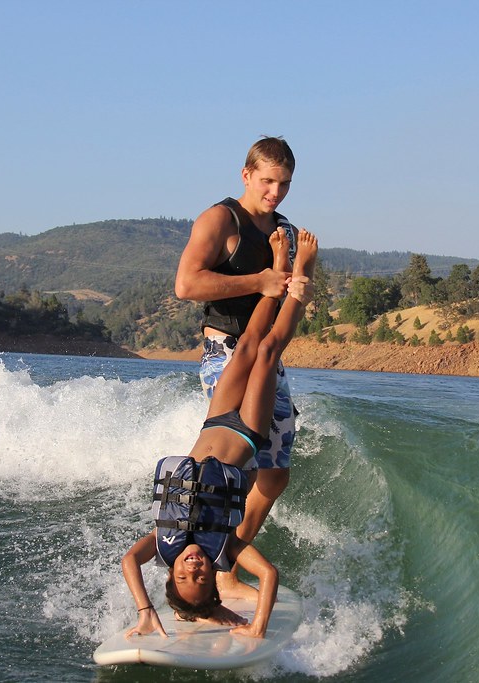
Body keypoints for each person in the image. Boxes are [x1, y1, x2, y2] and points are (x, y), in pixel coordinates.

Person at [122, 228, 318, 639]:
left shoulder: (162, 542)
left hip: (213, 422)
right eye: (201, 578)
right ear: (213, 577)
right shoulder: (225, 549)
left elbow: (128, 562)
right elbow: (269, 574)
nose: (193, 568)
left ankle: (277, 270)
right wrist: (258, 626)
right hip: (247, 432)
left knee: (246, 345)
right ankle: (299, 277)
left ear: (170, 574)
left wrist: (145, 610)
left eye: (183, 577)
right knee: (267, 351)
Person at [174, 137, 304, 593]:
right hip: (226, 352)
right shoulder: (220, 219)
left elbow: (287, 290)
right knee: (237, 468)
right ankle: (205, 567)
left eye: (284, 184)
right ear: (246, 175)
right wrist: (260, 281)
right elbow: (186, 284)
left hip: (268, 354)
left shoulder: (285, 231)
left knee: (275, 473)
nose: (275, 192)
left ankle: (225, 562)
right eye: (267, 181)